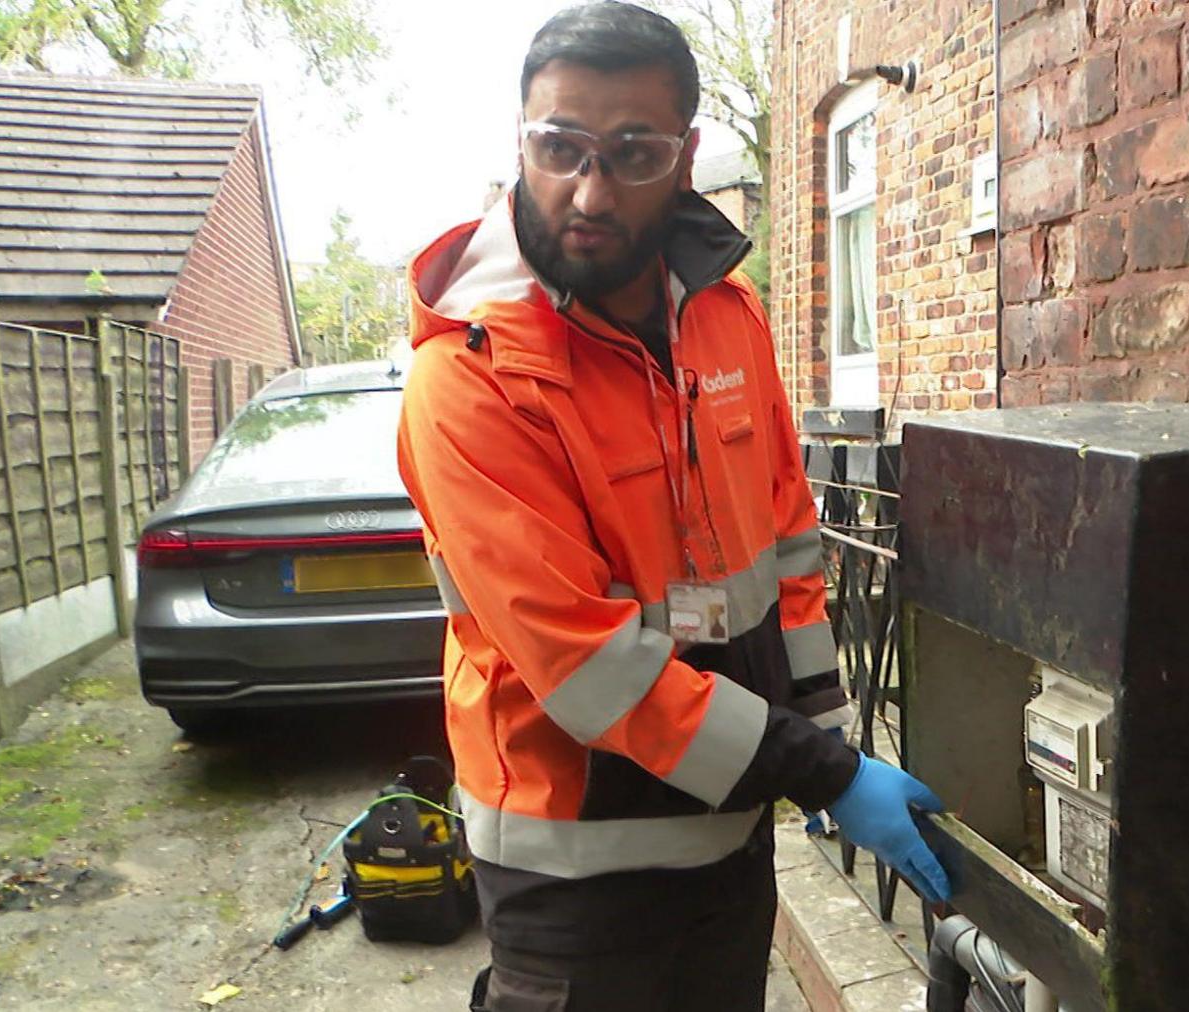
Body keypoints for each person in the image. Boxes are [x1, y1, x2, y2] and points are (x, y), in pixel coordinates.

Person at [395, 4, 950, 1010]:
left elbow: (784, 544)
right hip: (574, 879)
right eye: (558, 146)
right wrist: (823, 771)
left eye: (632, 152)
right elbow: (589, 670)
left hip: (729, 841)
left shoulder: (728, 320)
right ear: (520, 135)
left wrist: (824, 724)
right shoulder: (471, 379)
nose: (588, 189)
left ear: (687, 155)